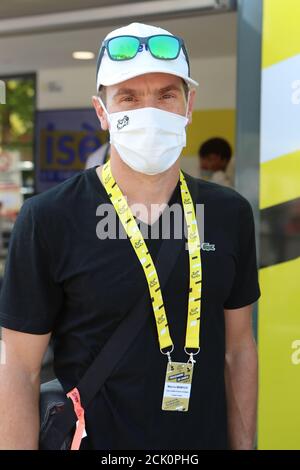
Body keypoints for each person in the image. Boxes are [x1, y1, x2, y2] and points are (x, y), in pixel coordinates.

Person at [0, 22, 260, 450]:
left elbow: (238, 350)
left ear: (188, 105)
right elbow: (19, 369)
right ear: (101, 112)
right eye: (129, 97)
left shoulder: (229, 213)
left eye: (166, 94)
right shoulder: (48, 218)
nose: (150, 112)